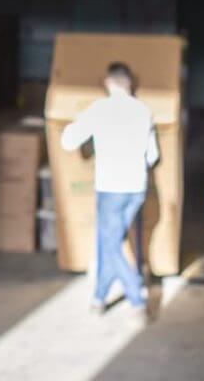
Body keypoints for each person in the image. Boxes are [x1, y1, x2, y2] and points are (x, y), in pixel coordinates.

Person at [61, 62, 159, 316]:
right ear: (129, 83)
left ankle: (136, 300)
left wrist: (73, 122)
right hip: (136, 188)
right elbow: (152, 156)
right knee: (111, 241)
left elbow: (69, 141)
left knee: (110, 244)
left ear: (108, 83)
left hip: (111, 187)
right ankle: (99, 298)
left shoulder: (100, 109)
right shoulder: (143, 111)